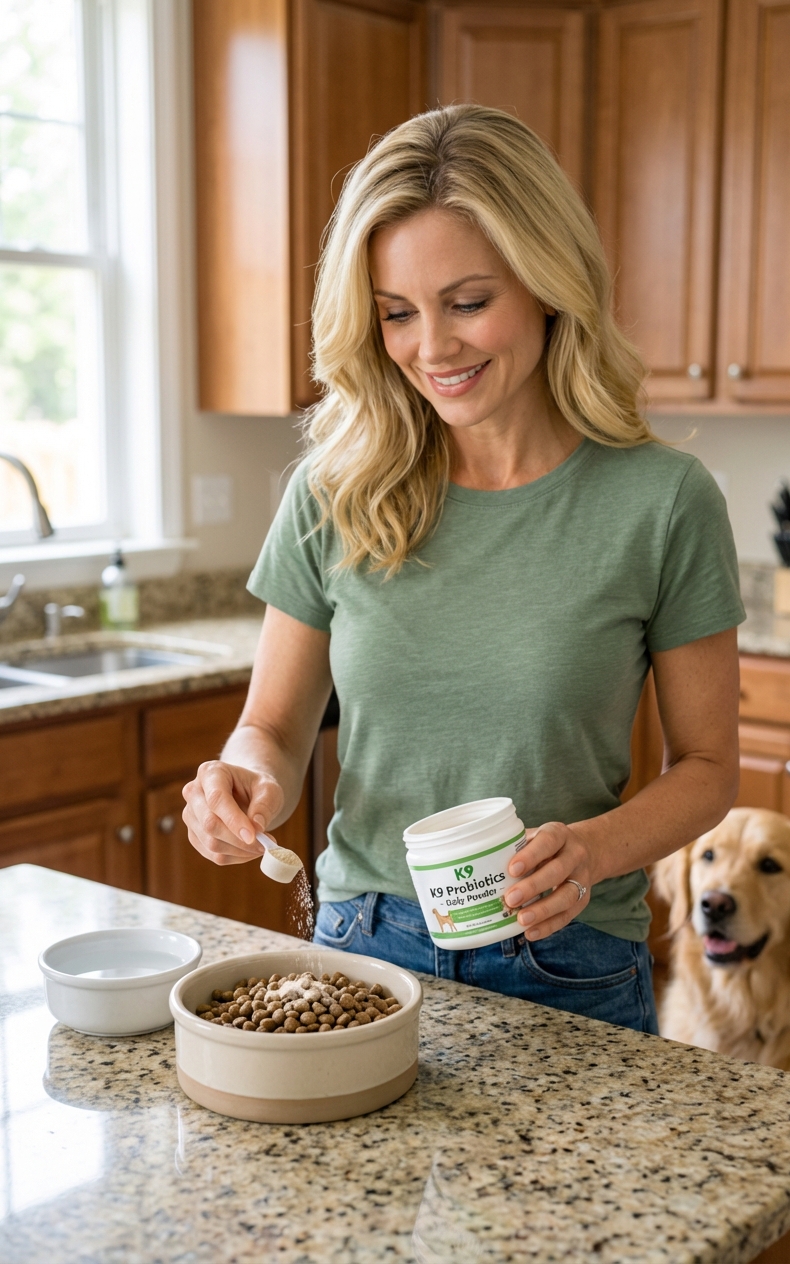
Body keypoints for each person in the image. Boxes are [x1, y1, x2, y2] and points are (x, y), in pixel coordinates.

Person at [182, 105, 744, 1034]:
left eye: (469, 302)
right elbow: (270, 727)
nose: (432, 349)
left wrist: (594, 851)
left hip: (569, 962)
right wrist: (245, 785)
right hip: (362, 951)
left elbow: (710, 767)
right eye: (397, 313)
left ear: (548, 282)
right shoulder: (335, 491)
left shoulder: (663, 502)